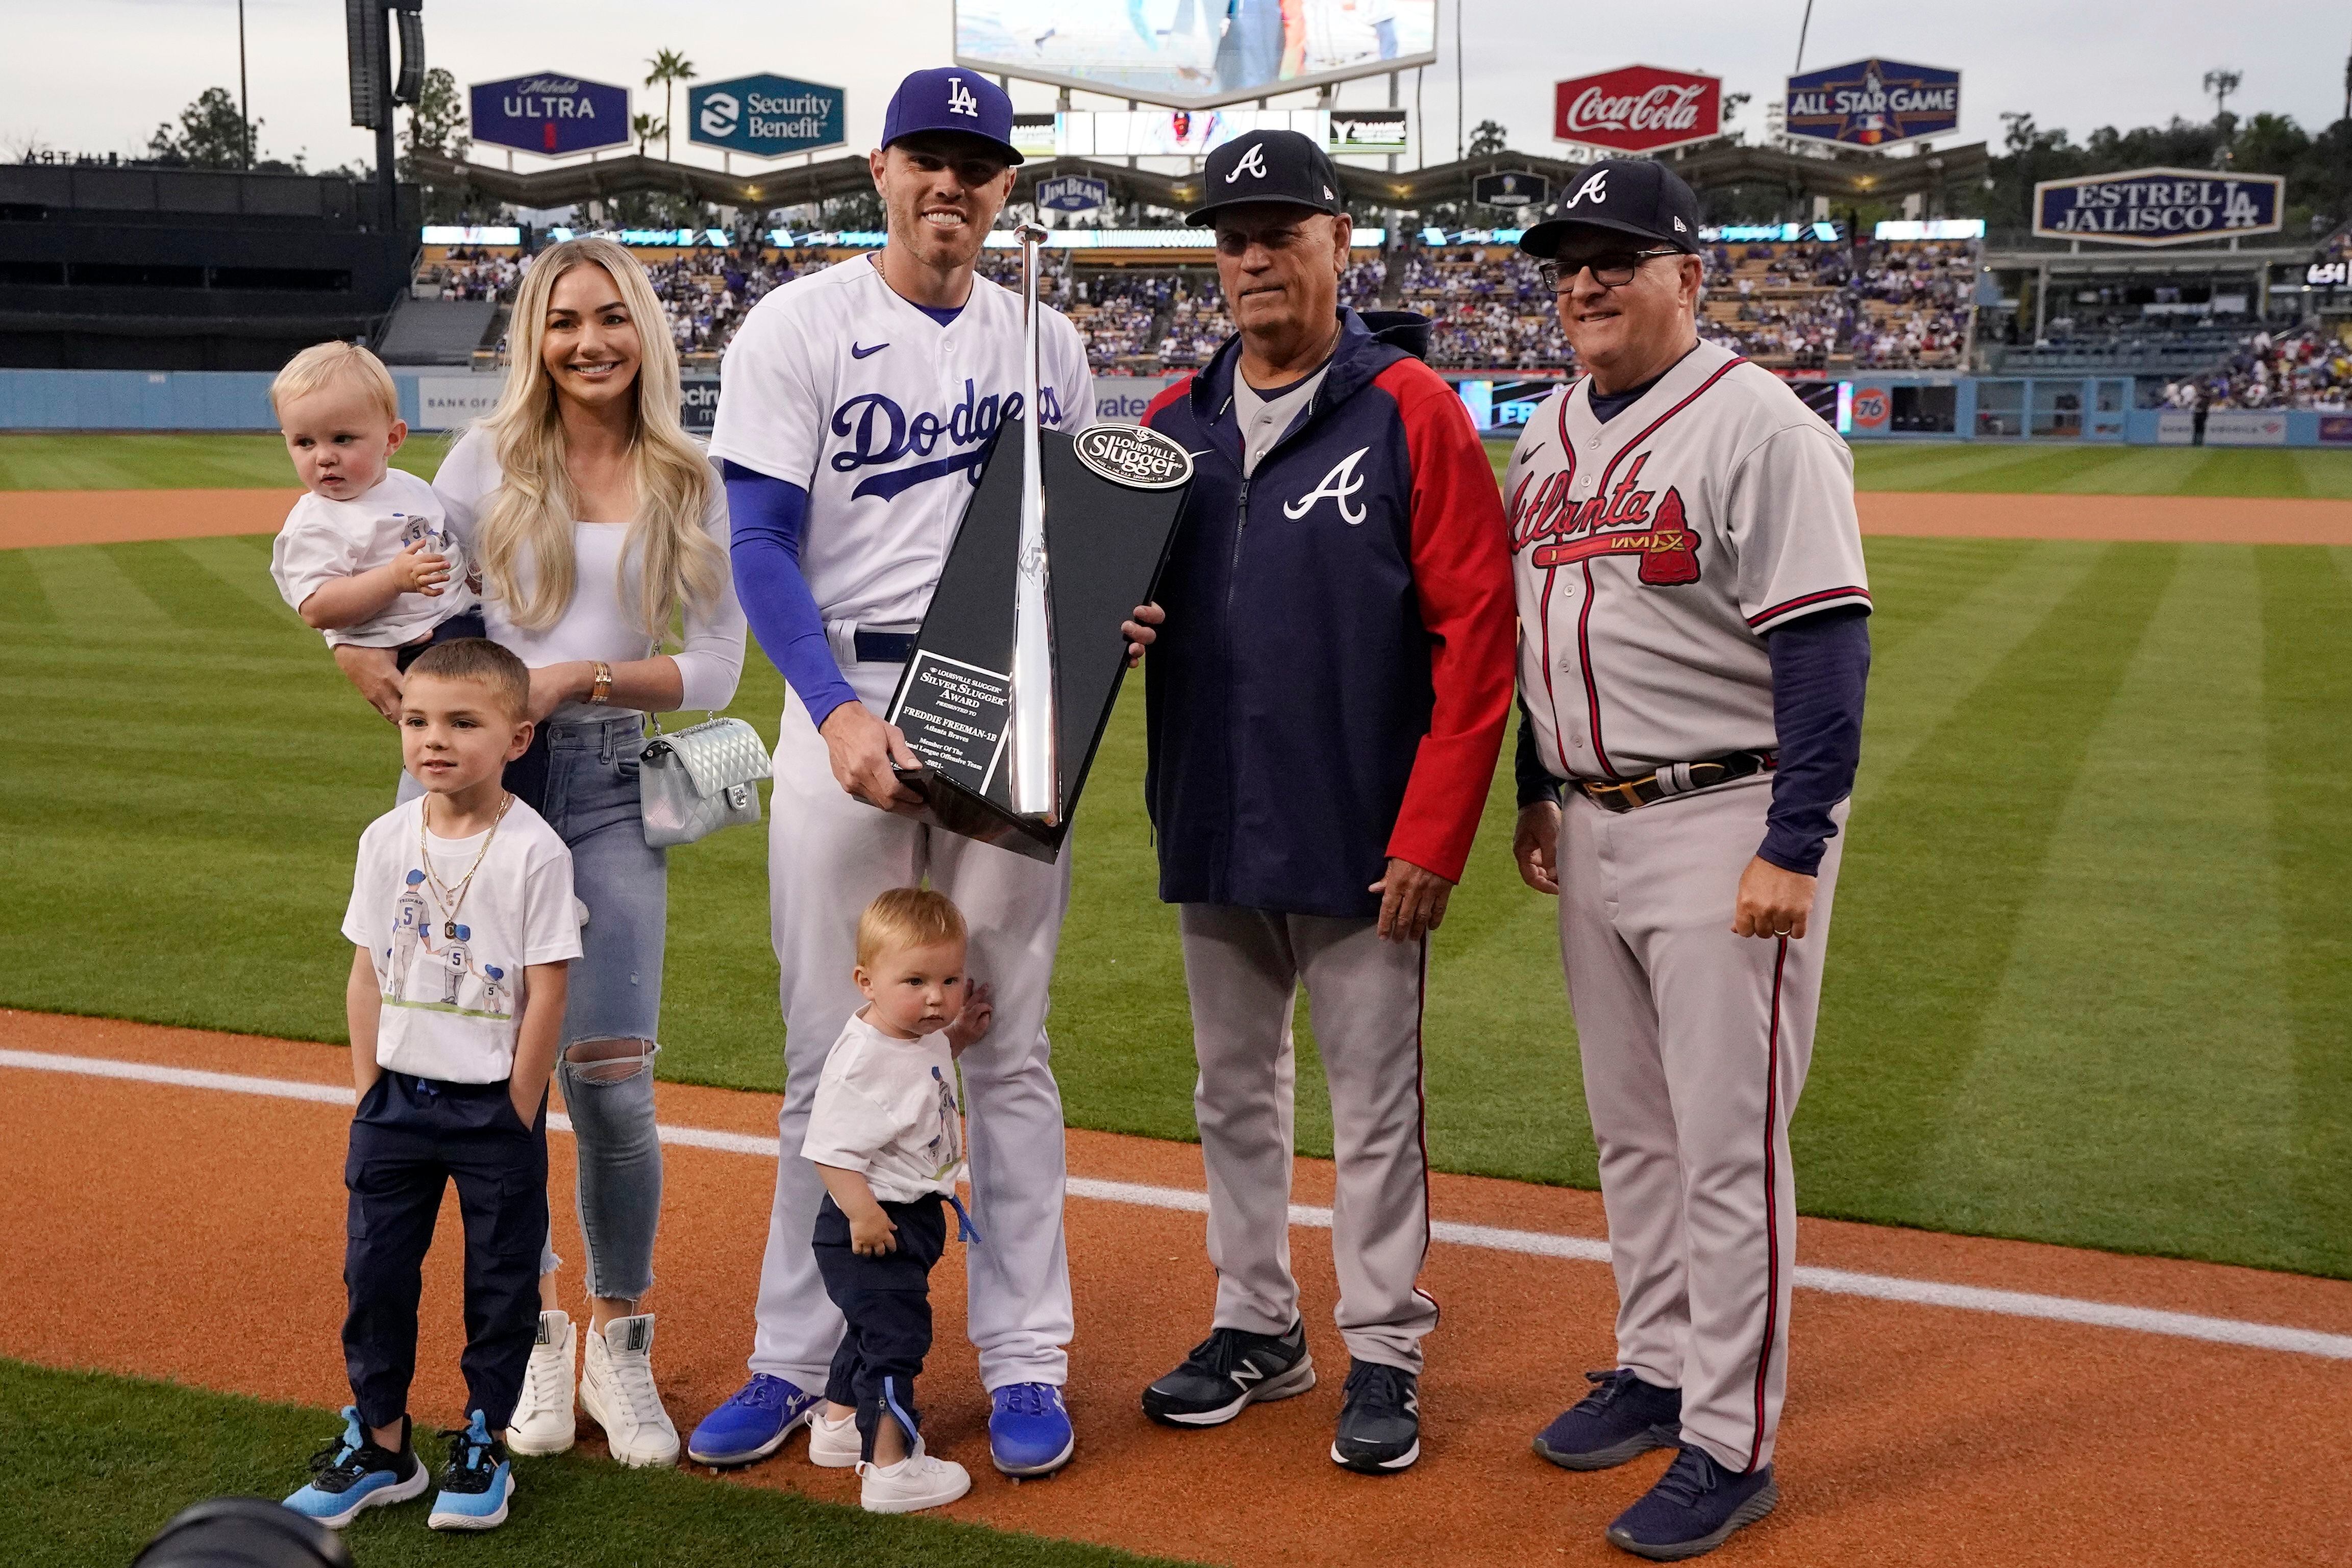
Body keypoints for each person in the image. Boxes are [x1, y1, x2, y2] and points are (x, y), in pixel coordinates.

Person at [689, 67, 1100, 1482]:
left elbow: (1074, 547)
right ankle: (797, 1358)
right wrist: (833, 713)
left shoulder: (1048, 339)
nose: (952, 184)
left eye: (978, 165)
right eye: (929, 157)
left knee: (1008, 1045)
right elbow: (756, 545)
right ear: (880, 170)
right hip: (846, 691)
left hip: (1011, 701)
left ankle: (1028, 1357)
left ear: (1002, 190)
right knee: (836, 1047)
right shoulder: (798, 324)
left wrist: (1112, 617)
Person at [1129, 129, 1515, 1474]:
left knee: (1374, 1104)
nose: (1253, 256)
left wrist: (1434, 831)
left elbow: (1480, 638)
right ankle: (1256, 1325)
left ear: (1337, 242)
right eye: (1233, 236)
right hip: (1217, 810)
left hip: (1362, 829)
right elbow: (1115, 616)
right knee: (1231, 1093)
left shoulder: (1412, 408)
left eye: (1280, 230)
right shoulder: (1169, 425)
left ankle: (1387, 1348)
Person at [1501, 160, 1872, 1561]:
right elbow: (1547, 640)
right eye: (1566, 262)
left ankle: (1731, 1439)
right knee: (1633, 1135)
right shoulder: (1545, 432)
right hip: (1591, 824)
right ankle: (1656, 1367)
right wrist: (1539, 787)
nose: (1585, 282)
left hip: (1731, 820)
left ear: (1688, 277)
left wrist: (1797, 843)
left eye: (1616, 257)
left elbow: (1826, 648)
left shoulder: (1759, 426)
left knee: (1727, 1149)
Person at [339, 236, 749, 1469]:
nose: (588, 342)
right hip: (487, 785)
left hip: (616, 778)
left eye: (611, 319)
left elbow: (722, 664)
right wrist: (377, 673)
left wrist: (582, 675)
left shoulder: (690, 473)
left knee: (611, 1081)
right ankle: (527, 1331)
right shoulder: (481, 463)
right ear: (536, 336)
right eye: (565, 320)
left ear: (645, 333)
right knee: (480, 1076)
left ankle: (617, 1340)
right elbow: (402, 604)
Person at [283, 638, 581, 1534]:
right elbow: (366, 971)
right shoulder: (385, 837)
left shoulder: (536, 850)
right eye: (416, 720)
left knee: (498, 1284)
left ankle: (481, 1437)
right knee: (375, 1272)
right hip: (395, 1108)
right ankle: (381, 1446)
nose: (433, 740)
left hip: (493, 1108)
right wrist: (369, 1087)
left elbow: (548, 988)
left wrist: (519, 1106)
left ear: (518, 737)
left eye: (462, 722)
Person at [803, 888, 996, 1513]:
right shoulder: (863, 1059)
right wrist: (861, 1213)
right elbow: (830, 1149)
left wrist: (959, 1035)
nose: (937, 997)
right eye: (915, 980)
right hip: (874, 1221)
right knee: (896, 1339)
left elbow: (922, 1075)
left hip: (899, 1214)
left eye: (951, 979)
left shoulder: (917, 1029)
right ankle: (890, 1466)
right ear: (866, 982)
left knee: (869, 1326)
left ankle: (836, 1426)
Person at [267, 341, 483, 696]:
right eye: (304, 442)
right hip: (413, 644)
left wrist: (469, 572)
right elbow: (317, 607)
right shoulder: (317, 521)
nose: (323, 457)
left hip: (457, 617)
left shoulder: (409, 486)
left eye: (342, 439)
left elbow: (441, 541)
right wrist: (392, 579)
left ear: (392, 439)